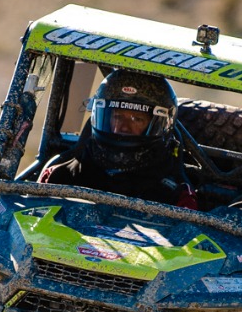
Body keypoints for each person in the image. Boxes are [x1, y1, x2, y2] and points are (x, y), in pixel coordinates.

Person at [39, 69, 198, 208]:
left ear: (160, 124)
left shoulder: (175, 197)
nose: (124, 127)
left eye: (136, 119)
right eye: (117, 116)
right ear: (102, 115)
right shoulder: (60, 176)